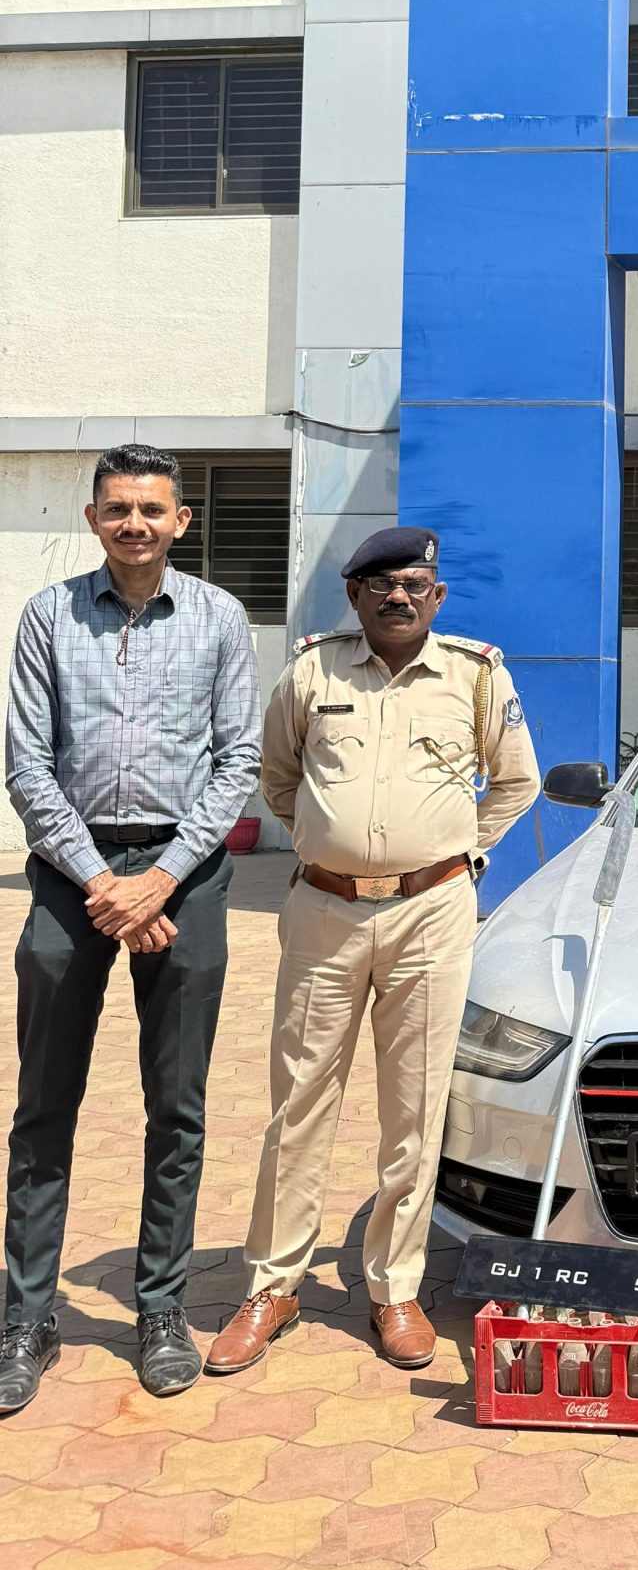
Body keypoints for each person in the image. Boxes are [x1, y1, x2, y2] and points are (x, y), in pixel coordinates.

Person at [205, 527, 539, 1376]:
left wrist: (464, 855)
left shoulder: (476, 675)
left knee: (414, 1109)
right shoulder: (312, 672)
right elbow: (278, 776)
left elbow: (516, 781)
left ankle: (394, 1289)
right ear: (354, 595)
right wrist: (329, 841)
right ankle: (274, 1284)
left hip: (432, 914)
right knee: (298, 1102)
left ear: (438, 596)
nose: (398, 597)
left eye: (415, 584)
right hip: (325, 910)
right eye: (381, 584)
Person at [1, 444, 262, 1412]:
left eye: (152, 509)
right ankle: (27, 1315)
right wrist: (104, 885)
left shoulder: (220, 618)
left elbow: (237, 763)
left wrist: (156, 882)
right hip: (72, 877)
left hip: (181, 876)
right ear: (93, 518)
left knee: (177, 1106)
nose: (135, 524)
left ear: (181, 520)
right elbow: (28, 766)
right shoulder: (48, 616)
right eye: (118, 509)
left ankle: (160, 1307)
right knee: (43, 1106)